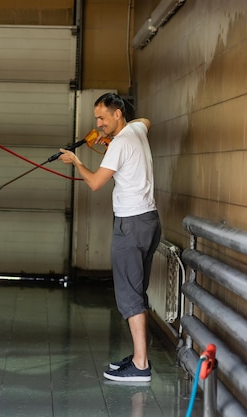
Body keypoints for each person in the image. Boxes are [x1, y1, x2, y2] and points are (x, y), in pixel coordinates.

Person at [58, 92, 161, 382]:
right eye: (96, 119)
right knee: (137, 291)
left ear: (118, 113)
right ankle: (140, 355)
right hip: (149, 221)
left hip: (130, 225)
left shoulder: (121, 142)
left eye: (102, 118)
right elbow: (145, 121)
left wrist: (76, 161)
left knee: (129, 295)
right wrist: (102, 139)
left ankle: (140, 366)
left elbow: (94, 183)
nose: (98, 123)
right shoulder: (135, 131)